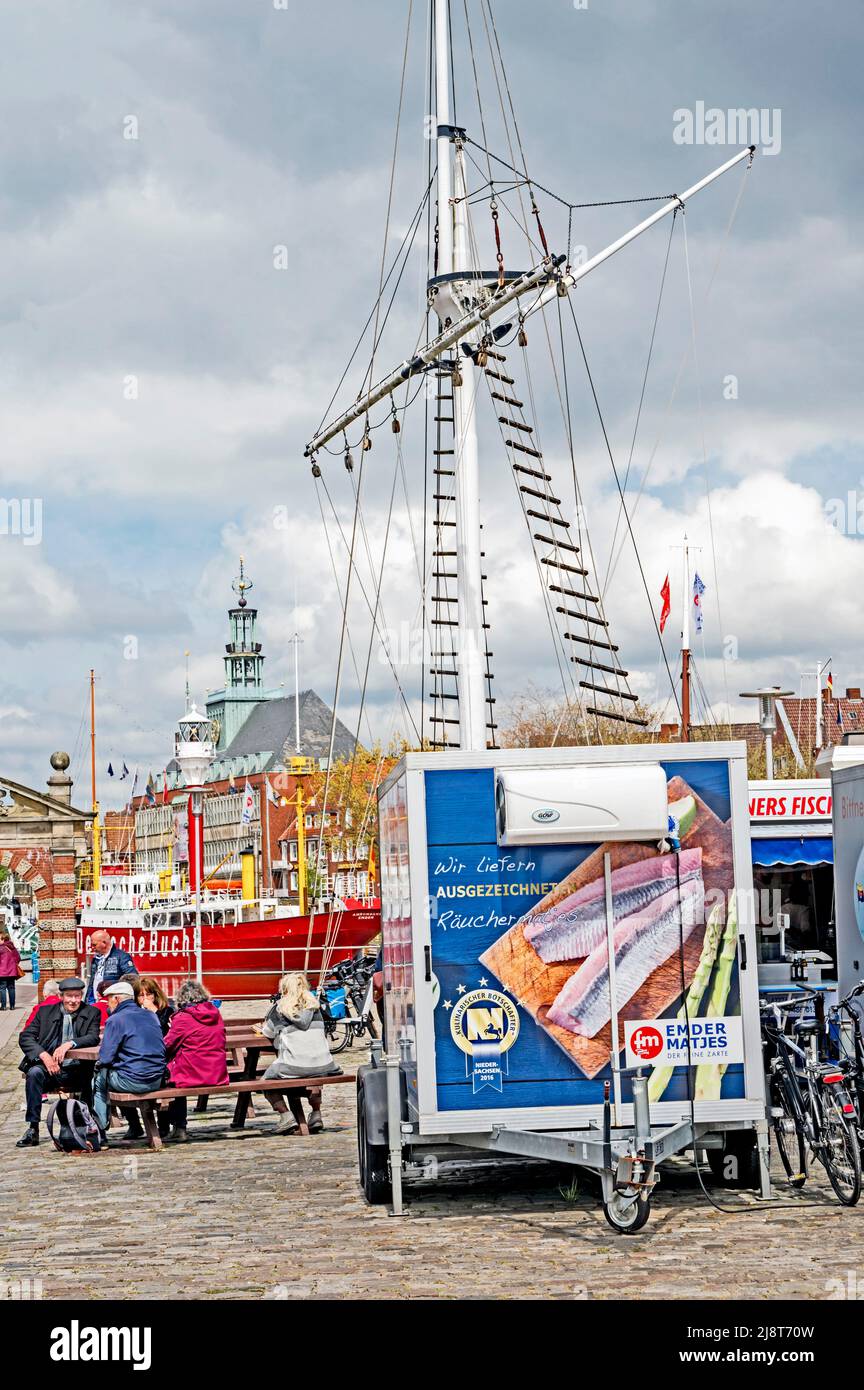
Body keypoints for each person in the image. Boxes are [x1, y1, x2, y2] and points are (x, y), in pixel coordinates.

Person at [16, 978, 101, 1147]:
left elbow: (92, 1036)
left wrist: (70, 1043)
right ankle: (33, 1128)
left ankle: (89, 1125)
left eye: (77, 996)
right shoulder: (45, 1012)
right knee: (34, 1073)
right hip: (50, 1070)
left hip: (77, 1069)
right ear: (61, 996)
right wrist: (44, 1056)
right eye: (69, 996)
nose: (73, 1001)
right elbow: (25, 1037)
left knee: (90, 1076)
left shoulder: (91, 1012)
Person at [260, 972, 341, 1135]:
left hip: (294, 1065)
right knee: (313, 1079)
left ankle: (286, 1115)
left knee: (265, 1081)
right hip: (324, 1064)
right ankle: (316, 1113)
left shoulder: (280, 1008)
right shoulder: (316, 1007)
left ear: (284, 989)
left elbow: (268, 1033)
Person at [92, 982, 166, 1140]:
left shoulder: (116, 1020)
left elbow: (105, 1058)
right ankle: (133, 1126)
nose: (108, 1004)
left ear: (117, 999)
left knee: (98, 1080)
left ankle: (100, 1131)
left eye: (109, 1000)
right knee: (114, 1073)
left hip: (132, 1081)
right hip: (157, 1079)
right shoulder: (151, 1015)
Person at [161, 980, 229, 1143]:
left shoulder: (183, 1017)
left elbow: (167, 1045)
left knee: (168, 1078)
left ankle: (177, 1127)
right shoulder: (215, 1013)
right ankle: (177, 1127)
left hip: (193, 1073)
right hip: (216, 1073)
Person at [85, 930, 136, 1005]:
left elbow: (133, 978)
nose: (92, 947)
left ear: (104, 943)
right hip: (95, 1000)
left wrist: (110, 986)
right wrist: (87, 1000)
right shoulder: (97, 957)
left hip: (111, 1001)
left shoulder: (122, 956)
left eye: (94, 945)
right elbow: (92, 981)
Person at [0, 931, 22, 1011]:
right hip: (12, 972)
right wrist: (12, 965)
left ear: (3, 939)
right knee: (11, 988)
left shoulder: (1, 948)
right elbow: (18, 958)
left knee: (2, 988)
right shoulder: (12, 947)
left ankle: (3, 1006)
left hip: (2, 972)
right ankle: (12, 1006)